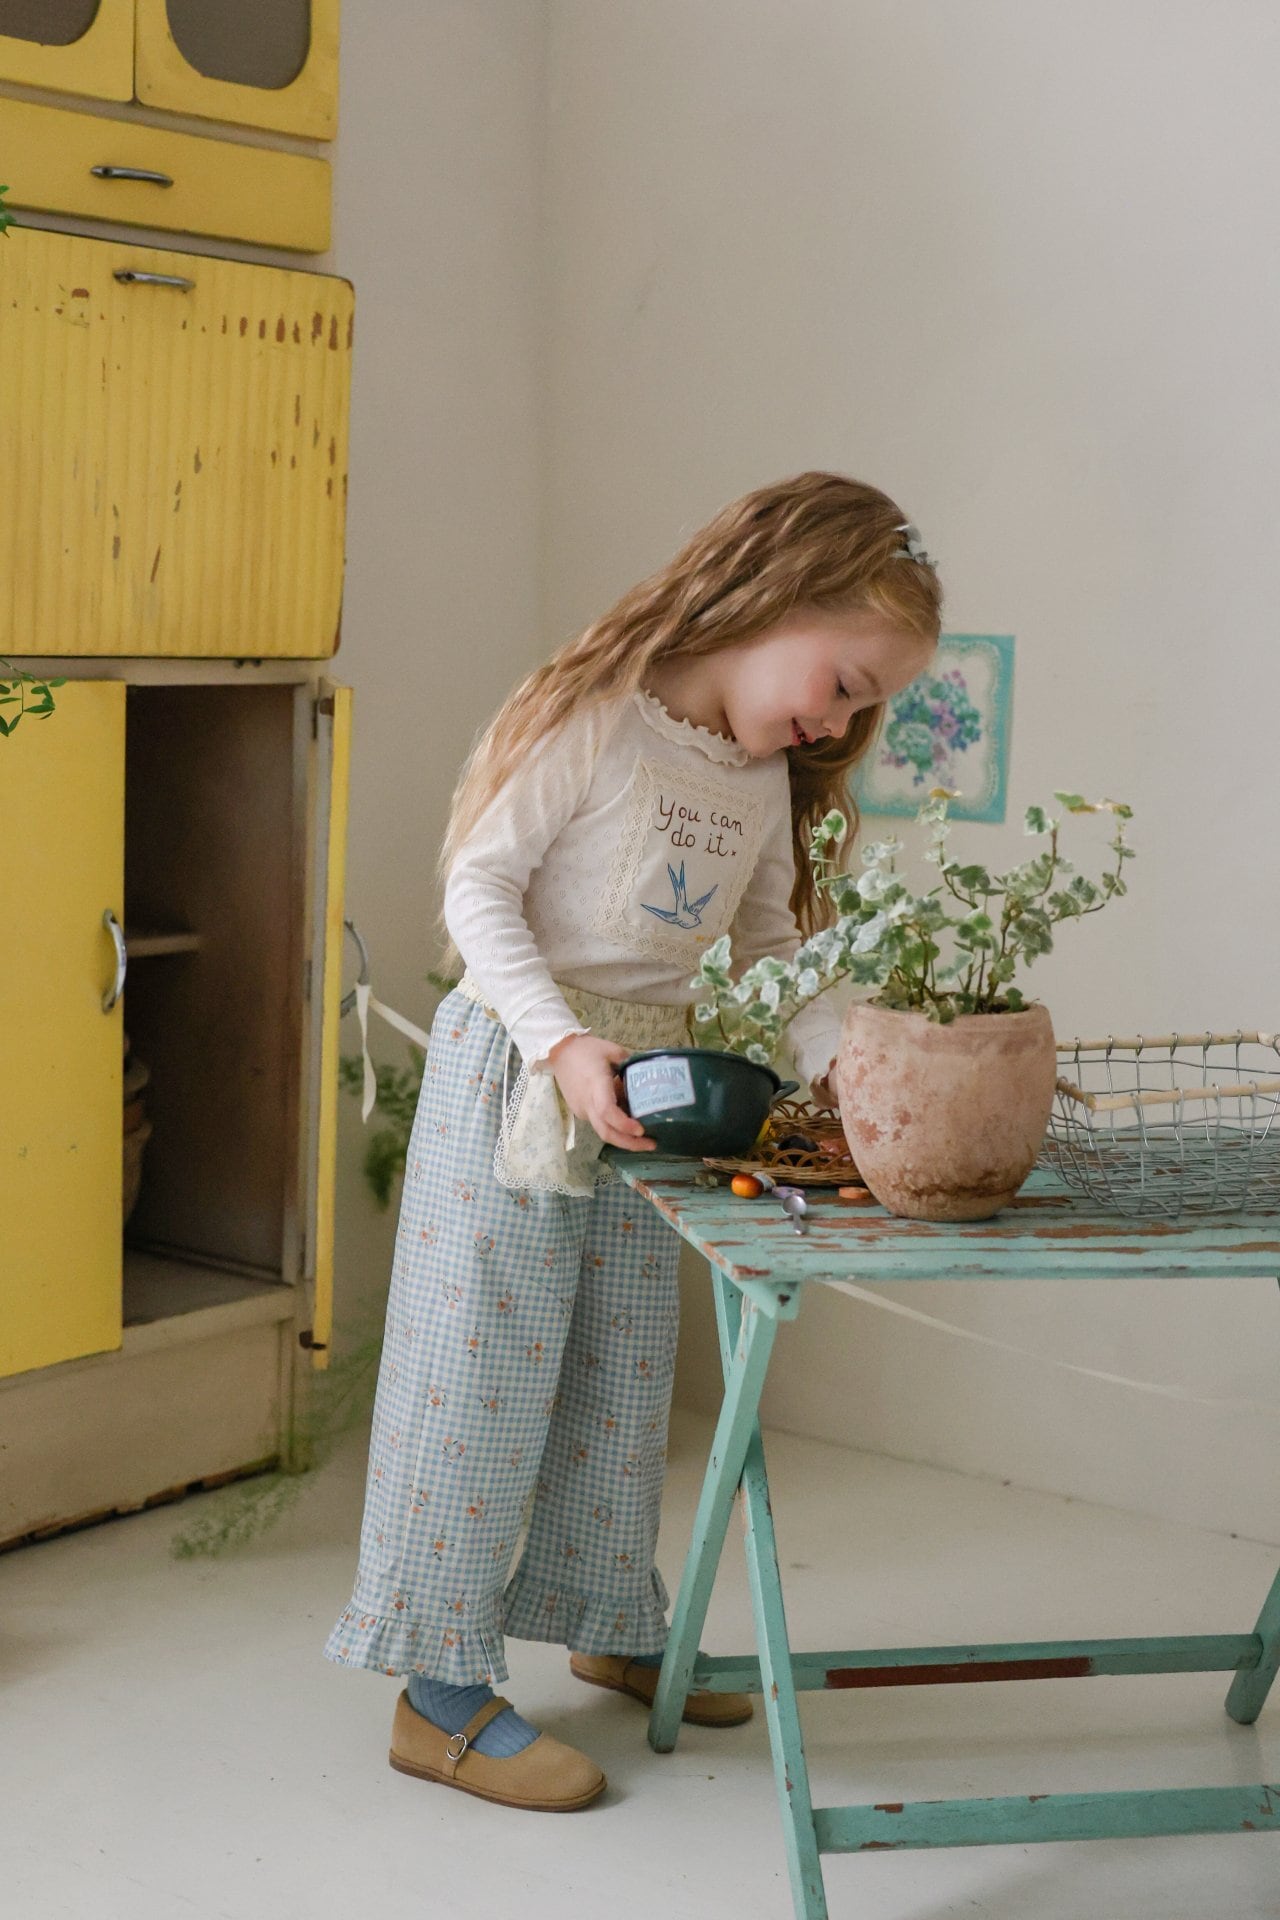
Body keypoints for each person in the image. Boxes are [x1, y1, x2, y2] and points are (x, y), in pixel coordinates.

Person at [323, 471, 942, 1811]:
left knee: (621, 1367)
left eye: (863, 708)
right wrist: (560, 1043)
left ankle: (606, 1615)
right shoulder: (598, 716)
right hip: (522, 1074)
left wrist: (848, 1074)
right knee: (478, 1379)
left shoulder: (759, 772)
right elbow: (480, 888)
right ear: (773, 595)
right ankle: (437, 1694)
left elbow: (768, 947)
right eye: (842, 683)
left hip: (645, 1091)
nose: (839, 722)